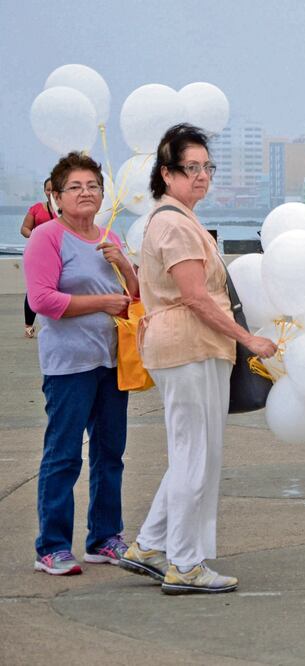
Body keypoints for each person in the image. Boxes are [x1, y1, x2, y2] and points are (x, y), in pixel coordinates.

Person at [120, 124, 276, 595]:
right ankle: (184, 563)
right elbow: (196, 297)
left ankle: (150, 544)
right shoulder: (173, 223)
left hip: (189, 346)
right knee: (196, 457)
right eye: (192, 168)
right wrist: (247, 338)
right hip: (189, 345)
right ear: (166, 174)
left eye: (208, 167)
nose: (202, 175)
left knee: (191, 452)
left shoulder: (176, 219)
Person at [23, 153, 135, 575]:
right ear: (55, 195)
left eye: (93, 186)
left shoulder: (109, 237)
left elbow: (133, 296)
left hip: (111, 362)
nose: (86, 193)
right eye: (75, 187)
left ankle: (104, 537)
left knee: (111, 454)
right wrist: (101, 303)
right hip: (69, 366)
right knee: (64, 456)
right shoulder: (47, 237)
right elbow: (42, 301)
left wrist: (124, 263)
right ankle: (51, 546)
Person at [21, 178, 57, 337]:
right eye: (48, 190)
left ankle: (57, 325)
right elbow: (24, 229)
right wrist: (37, 235)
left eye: (54, 190)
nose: (51, 193)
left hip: (59, 255)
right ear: (44, 191)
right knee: (34, 289)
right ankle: (28, 325)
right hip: (39, 254)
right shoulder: (36, 208)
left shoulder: (66, 210)